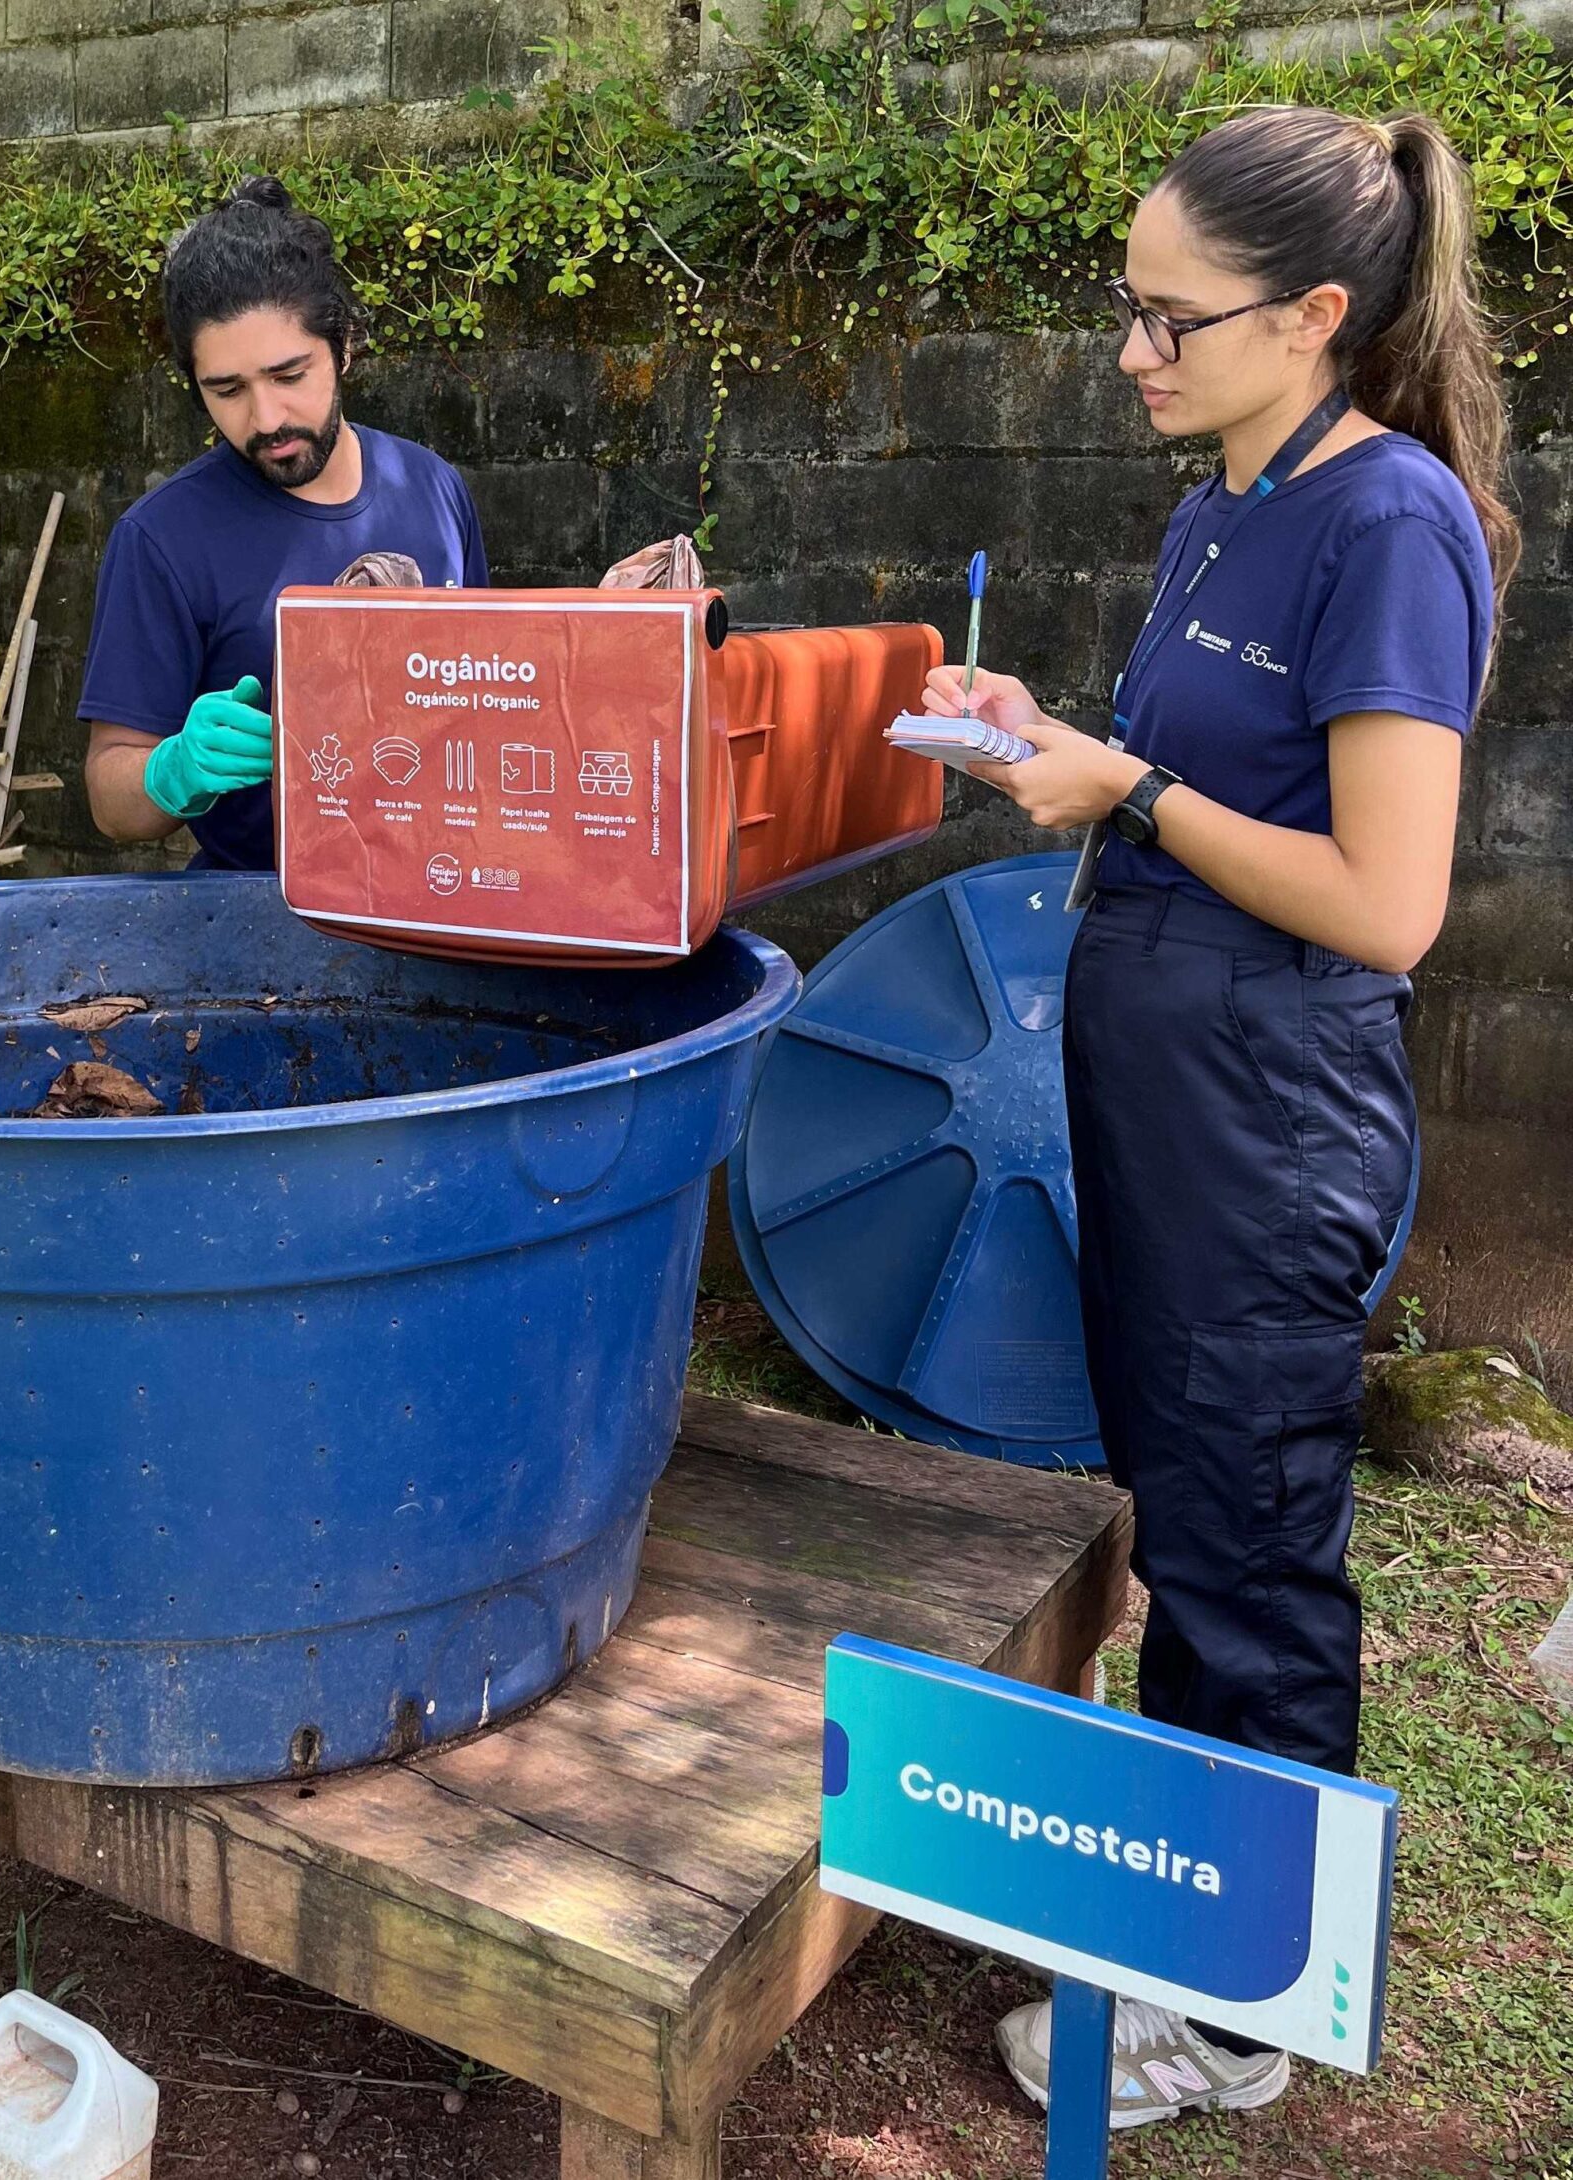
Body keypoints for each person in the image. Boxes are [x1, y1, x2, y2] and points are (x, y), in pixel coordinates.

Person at [927, 106, 1515, 2125]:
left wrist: (1138, 800)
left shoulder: (1392, 526)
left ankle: (1241, 2016)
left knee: (1254, 1556)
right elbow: (1177, 777)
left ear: (1318, 316)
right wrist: (1049, 745)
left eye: (1172, 317)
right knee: (1187, 1518)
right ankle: (1187, 1901)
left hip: (1271, 1131)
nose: (1131, 351)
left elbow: (1388, 901)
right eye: (1127, 305)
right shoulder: (1216, 511)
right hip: (1169, 1110)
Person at [80, 176, 489, 870]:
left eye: (289, 374)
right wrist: (173, 772)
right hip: (264, 923)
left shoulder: (433, 487)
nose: (265, 419)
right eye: (228, 390)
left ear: (346, 346)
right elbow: (109, 797)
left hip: (444, 886)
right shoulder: (163, 537)